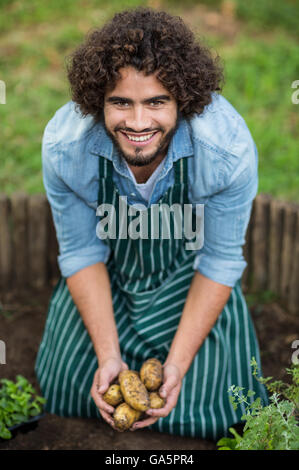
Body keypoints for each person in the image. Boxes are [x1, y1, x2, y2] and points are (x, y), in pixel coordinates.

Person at [35, 7, 269, 440]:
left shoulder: (226, 151)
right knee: (67, 389)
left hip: (189, 277)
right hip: (113, 276)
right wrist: (108, 355)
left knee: (222, 406)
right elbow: (83, 252)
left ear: (183, 100)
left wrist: (177, 365)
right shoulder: (66, 148)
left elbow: (218, 260)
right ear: (95, 101)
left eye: (157, 102)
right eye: (120, 102)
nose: (138, 123)